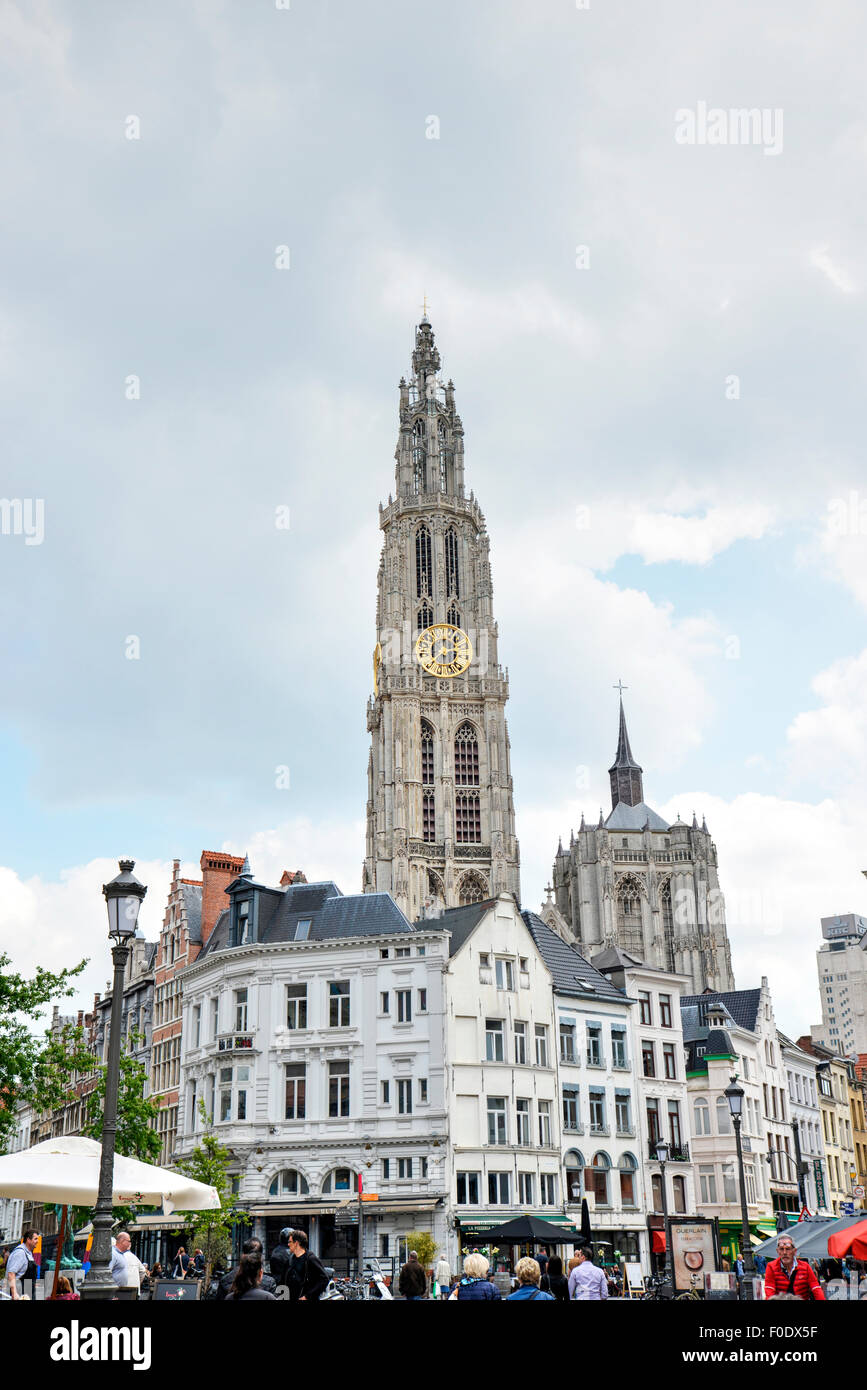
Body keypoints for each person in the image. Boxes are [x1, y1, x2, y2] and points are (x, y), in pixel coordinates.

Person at [764, 1237, 825, 1301]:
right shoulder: (771, 1266)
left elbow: (816, 1288)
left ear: (794, 1251)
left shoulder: (805, 1266)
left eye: (788, 1249)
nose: (784, 1252)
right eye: (781, 1249)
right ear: (777, 1251)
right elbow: (769, 1291)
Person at [286, 1229, 328, 1302]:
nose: (288, 1244)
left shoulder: (311, 1259)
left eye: (290, 1242)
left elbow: (324, 1279)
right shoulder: (290, 1260)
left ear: (296, 1243)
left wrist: (308, 1296)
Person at [6, 1230, 39, 1301]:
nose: (38, 1241)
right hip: (20, 1295)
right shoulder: (20, 1253)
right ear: (28, 1240)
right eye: (35, 1239)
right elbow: (11, 1273)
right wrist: (14, 1293)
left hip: (28, 1294)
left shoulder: (29, 1253)